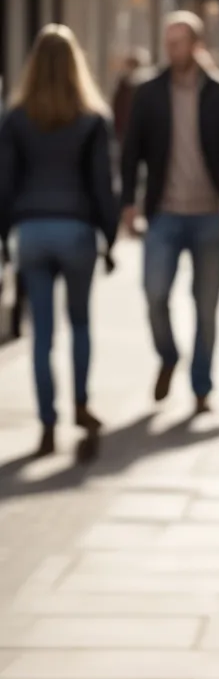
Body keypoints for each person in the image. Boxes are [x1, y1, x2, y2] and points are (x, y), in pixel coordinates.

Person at [120, 12, 219, 415]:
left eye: (179, 42)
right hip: (163, 214)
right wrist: (127, 203)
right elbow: (130, 152)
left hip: (208, 215)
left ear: (196, 45)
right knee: (155, 294)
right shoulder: (149, 91)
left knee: (206, 306)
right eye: (167, 42)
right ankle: (168, 355)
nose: (171, 49)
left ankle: (201, 386)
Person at [0, 25, 118, 457]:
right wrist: (109, 237)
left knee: (41, 334)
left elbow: (5, 185)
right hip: (76, 231)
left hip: (30, 232)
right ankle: (81, 405)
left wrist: (4, 237)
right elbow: (103, 185)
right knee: (81, 323)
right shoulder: (91, 118)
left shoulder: (15, 118)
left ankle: (47, 423)